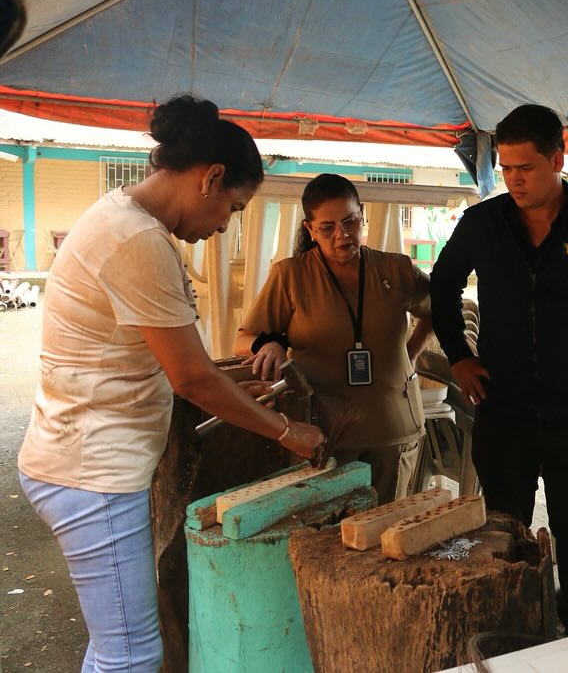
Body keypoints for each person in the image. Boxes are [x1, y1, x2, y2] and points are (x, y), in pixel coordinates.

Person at [17, 95, 325, 672]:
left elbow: (173, 361)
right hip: (93, 474)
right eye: (232, 208)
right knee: (132, 655)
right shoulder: (137, 240)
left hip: (83, 466)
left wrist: (232, 386)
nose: (222, 226)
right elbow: (189, 378)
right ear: (210, 179)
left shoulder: (123, 218)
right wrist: (286, 430)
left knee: (114, 645)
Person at [429, 104, 568, 635]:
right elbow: (442, 284)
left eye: (525, 168)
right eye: (505, 168)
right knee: (504, 528)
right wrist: (458, 354)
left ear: (558, 160)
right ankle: (508, 625)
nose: (514, 180)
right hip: (504, 409)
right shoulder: (483, 223)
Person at [235, 173, 433, 504]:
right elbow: (244, 339)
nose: (341, 235)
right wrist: (270, 343)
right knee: (331, 534)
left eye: (350, 222)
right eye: (327, 228)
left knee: (391, 533)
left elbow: (436, 310)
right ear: (310, 230)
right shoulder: (291, 275)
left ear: (362, 215)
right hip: (324, 432)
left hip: (393, 428)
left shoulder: (397, 270)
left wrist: (408, 358)